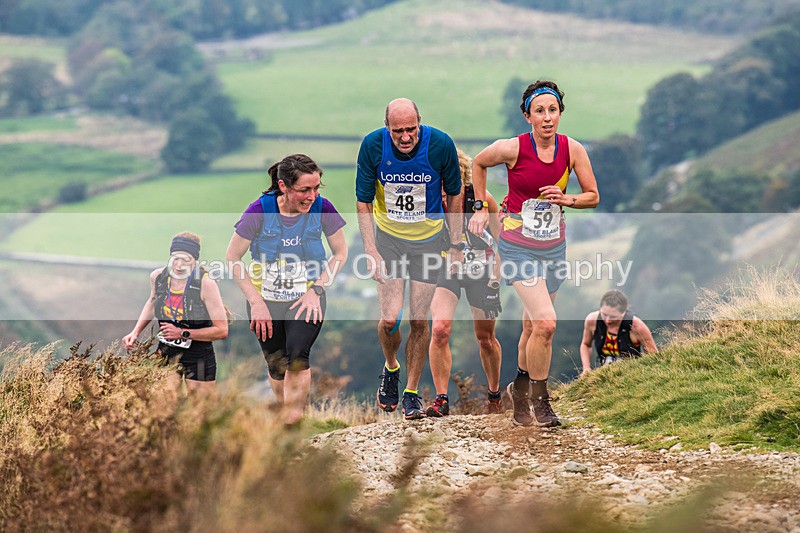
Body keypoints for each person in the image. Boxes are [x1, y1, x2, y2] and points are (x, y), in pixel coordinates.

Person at [469, 80, 600, 427]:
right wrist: (480, 206)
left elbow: (592, 195)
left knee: (532, 327)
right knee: (545, 322)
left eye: (552, 110)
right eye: (539, 111)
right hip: (517, 246)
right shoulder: (512, 148)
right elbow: (478, 164)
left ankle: (520, 388)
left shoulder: (572, 150)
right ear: (528, 116)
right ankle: (541, 401)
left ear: (560, 114)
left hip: (553, 247)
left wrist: (568, 199)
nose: (547, 117)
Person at [356, 97, 463, 420]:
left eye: (411, 129)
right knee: (390, 319)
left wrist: (456, 245)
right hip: (389, 240)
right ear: (386, 127)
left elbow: (455, 194)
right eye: (398, 131)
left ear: (420, 122)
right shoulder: (373, 146)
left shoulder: (441, 144)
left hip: (429, 242)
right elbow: (363, 202)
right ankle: (391, 367)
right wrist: (370, 250)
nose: (405, 137)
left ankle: (412, 393)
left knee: (419, 320)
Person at [226, 154, 348, 425]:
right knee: (277, 365)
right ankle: (286, 418)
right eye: (304, 190)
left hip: (307, 298)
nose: (312, 196)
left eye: (316, 188)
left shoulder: (323, 208)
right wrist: (256, 303)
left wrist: (317, 290)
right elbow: (232, 258)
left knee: (298, 355)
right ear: (283, 186)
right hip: (264, 300)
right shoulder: (258, 211)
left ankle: (294, 418)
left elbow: (340, 253)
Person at [426, 148, 504, 417]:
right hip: (444, 269)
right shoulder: (430, 200)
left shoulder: (482, 199)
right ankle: (441, 399)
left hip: (481, 270)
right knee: (439, 330)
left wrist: (495, 283)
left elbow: (503, 244)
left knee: (485, 338)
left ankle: (494, 395)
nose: (442, 191)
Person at [123, 232, 228, 393]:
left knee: (199, 407)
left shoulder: (206, 284)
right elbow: (152, 302)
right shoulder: (158, 277)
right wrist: (135, 332)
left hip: (198, 356)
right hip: (166, 352)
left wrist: (182, 333)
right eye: (175, 258)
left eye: (186, 259)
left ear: (195, 260)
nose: (179, 265)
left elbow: (222, 330)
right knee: (166, 404)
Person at [580, 290, 657, 374]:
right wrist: (586, 368)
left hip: (632, 373)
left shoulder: (637, 326)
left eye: (613, 317)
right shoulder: (592, 320)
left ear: (624, 313)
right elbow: (586, 345)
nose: (608, 320)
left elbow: (654, 357)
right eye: (604, 315)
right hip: (603, 373)